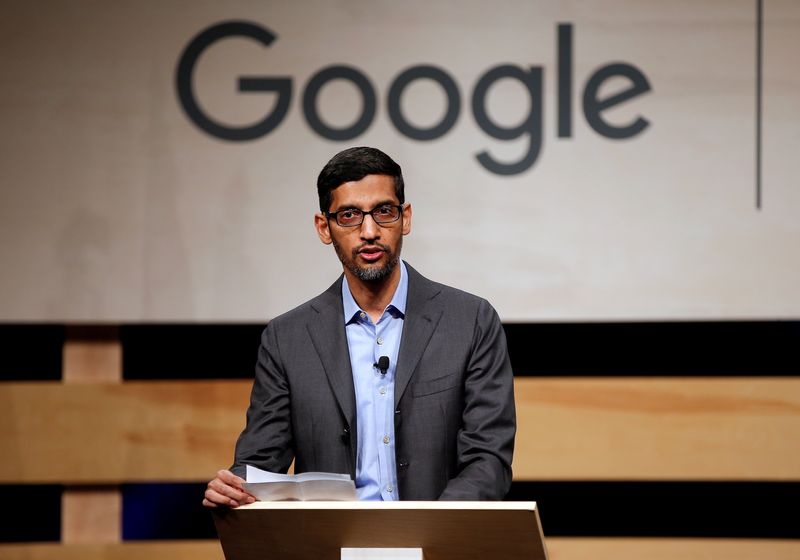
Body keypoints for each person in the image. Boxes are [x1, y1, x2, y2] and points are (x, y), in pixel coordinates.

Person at [203, 146, 515, 507]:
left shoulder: (469, 321)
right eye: (349, 215)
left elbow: (488, 458)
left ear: (406, 218)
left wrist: (431, 533)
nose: (369, 231)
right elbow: (259, 463)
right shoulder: (288, 339)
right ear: (324, 227)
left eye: (384, 212)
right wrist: (235, 488)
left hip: (438, 546)